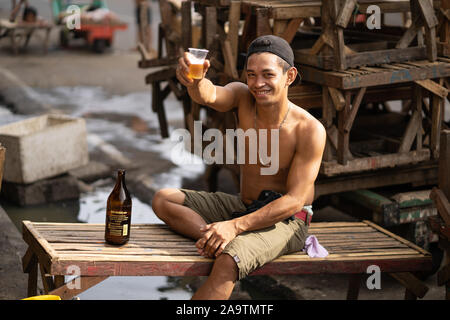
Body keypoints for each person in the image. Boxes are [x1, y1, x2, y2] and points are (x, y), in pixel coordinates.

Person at [152, 35, 326, 300]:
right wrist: (195, 80)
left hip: (287, 221)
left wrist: (233, 227)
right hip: (244, 206)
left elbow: (293, 201)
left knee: (228, 261)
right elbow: (209, 94)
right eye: (251, 75)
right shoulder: (243, 98)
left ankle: (225, 244)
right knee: (164, 199)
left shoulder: (310, 129)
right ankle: (212, 238)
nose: (258, 84)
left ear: (289, 76)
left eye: (268, 75)